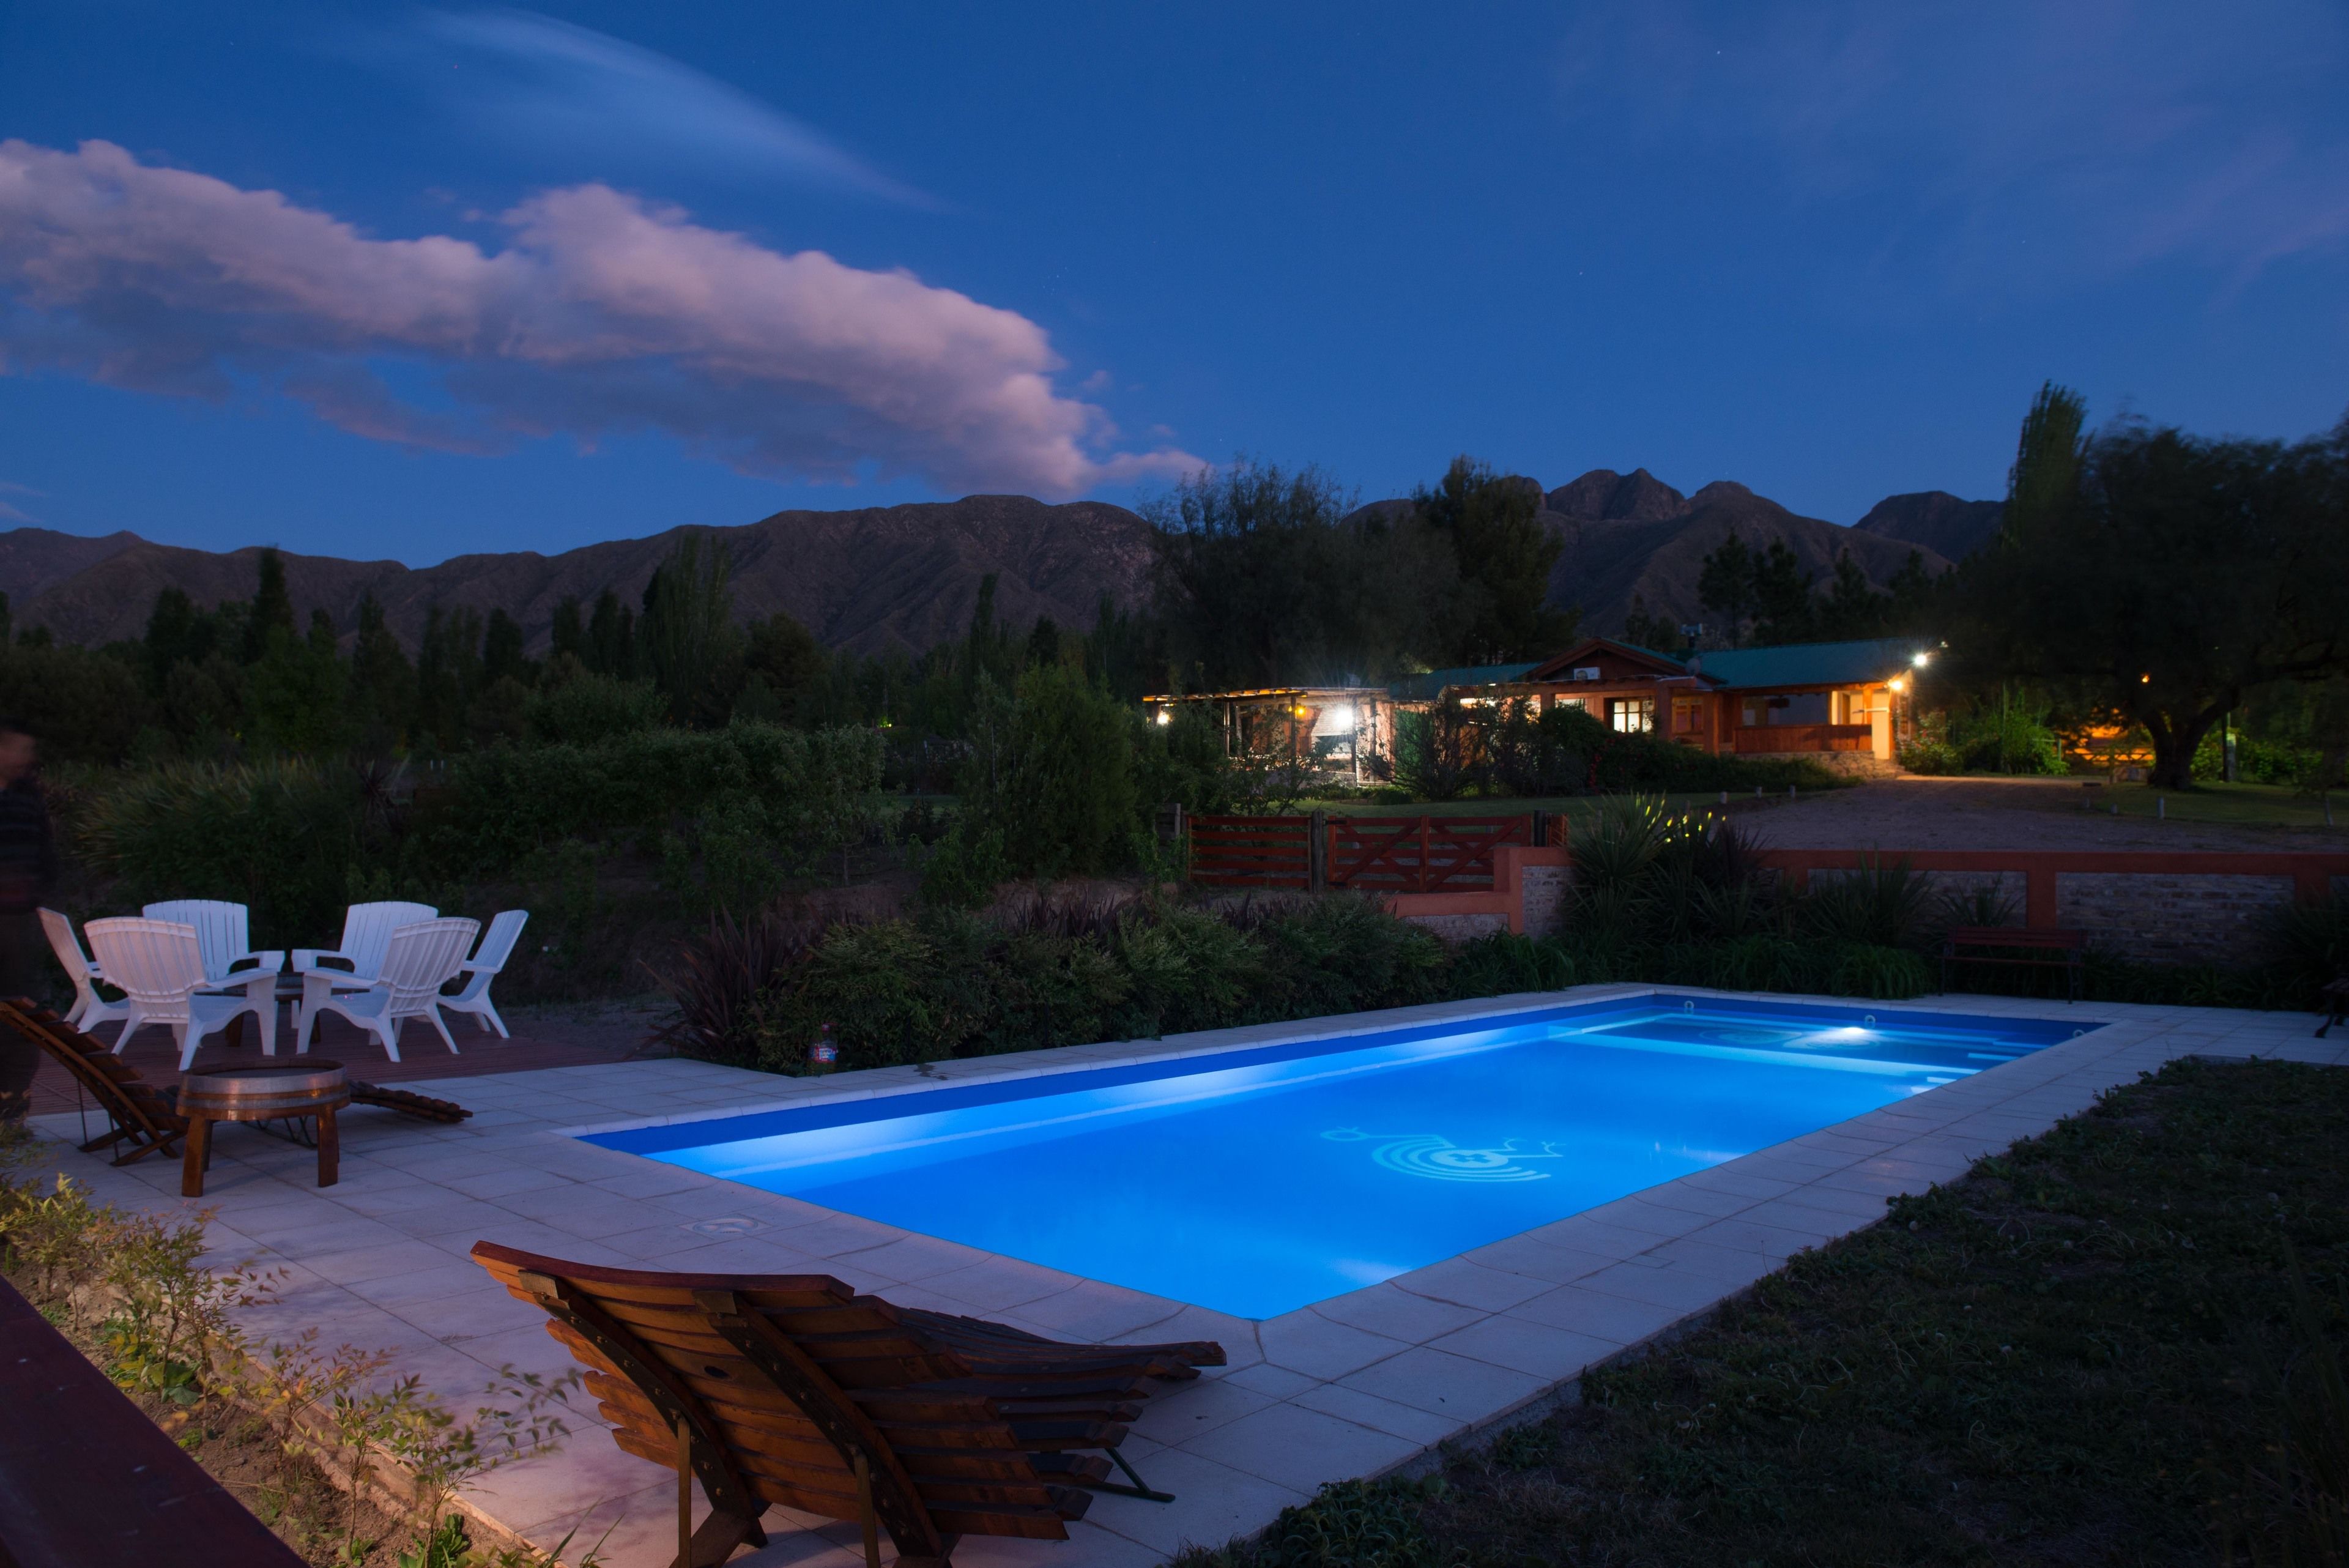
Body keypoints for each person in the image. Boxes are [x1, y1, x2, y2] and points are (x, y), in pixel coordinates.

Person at [0, 716, 56, 1123]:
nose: (27, 758)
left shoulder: (27, 795)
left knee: (24, 1013)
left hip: (20, 922)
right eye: (21, 748)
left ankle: (13, 1111)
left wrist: (42, 899)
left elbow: (46, 853)